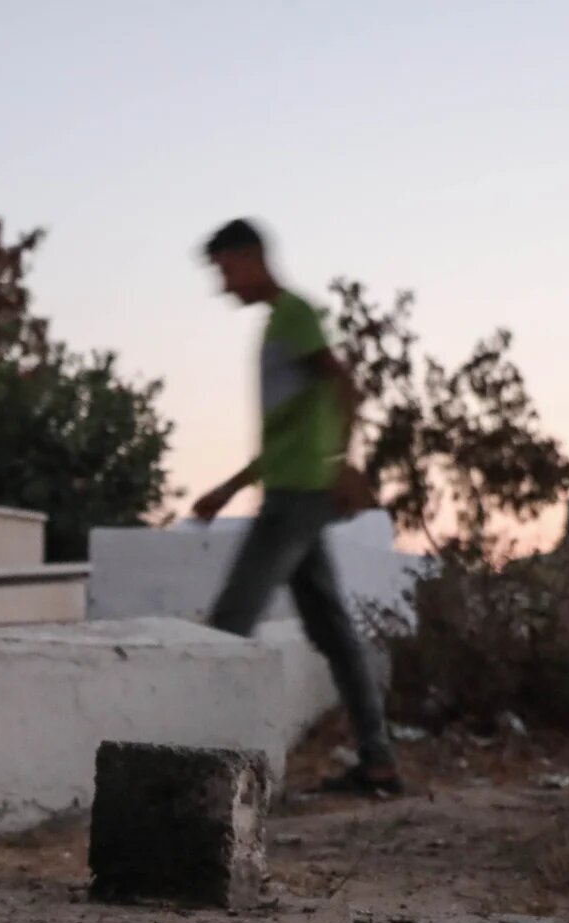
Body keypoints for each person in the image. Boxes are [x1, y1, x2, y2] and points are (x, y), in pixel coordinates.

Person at [190, 219, 404, 798]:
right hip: (290, 489)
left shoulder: (296, 316)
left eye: (226, 268)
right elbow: (282, 437)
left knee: (231, 620)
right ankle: (378, 761)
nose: (224, 284)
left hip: (299, 498)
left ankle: (197, 768)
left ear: (253, 257)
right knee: (333, 631)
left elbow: (343, 384)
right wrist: (229, 488)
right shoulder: (274, 327)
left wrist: (342, 462)